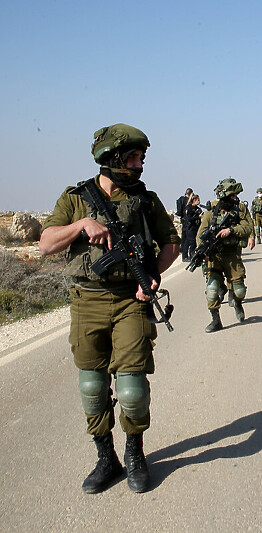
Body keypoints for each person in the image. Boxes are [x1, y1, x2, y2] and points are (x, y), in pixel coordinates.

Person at [39, 123, 180, 494]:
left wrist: (150, 276)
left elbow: (171, 244)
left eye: (141, 158)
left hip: (130, 302)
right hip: (87, 301)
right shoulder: (75, 199)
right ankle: (106, 457)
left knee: (132, 389)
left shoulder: (146, 200)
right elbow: (46, 244)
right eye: (132, 158)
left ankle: (135, 452)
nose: (139, 165)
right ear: (111, 158)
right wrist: (81, 225)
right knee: (92, 386)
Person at [198, 177, 254, 332]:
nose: (236, 198)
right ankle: (216, 320)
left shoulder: (240, 208)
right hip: (214, 256)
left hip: (232, 255)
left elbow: (248, 226)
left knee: (239, 291)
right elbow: (200, 233)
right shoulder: (212, 210)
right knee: (212, 289)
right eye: (233, 196)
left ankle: (237, 302)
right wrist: (203, 252)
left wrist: (231, 230)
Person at [184, 194, 202, 260]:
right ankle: (191, 257)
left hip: (196, 228)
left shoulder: (197, 208)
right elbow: (189, 218)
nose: (198, 201)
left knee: (194, 243)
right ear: (194, 200)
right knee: (192, 244)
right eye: (197, 200)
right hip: (191, 228)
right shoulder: (189, 208)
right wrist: (198, 217)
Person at [177, 187, 193, 261]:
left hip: (183, 221)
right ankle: (185, 256)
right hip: (188, 222)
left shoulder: (181, 200)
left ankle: (184, 255)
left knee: (183, 239)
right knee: (187, 239)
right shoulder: (188, 201)